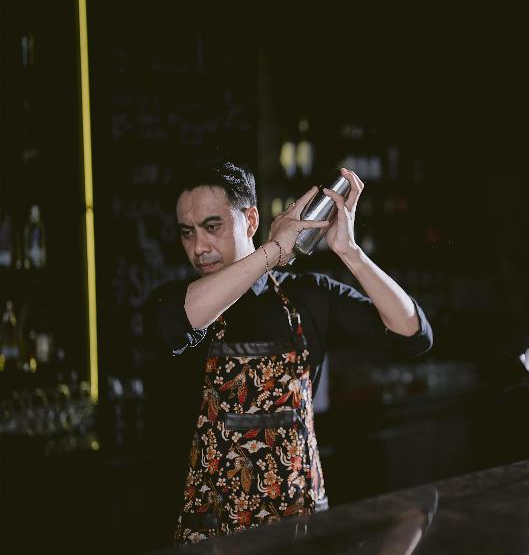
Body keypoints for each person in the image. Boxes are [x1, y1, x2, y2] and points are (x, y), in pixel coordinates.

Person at [143, 159, 433, 545]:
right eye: (187, 232)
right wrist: (274, 250)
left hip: (301, 533)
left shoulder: (308, 296)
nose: (199, 247)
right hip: (212, 538)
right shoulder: (178, 301)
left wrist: (350, 252)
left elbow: (413, 334)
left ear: (250, 220)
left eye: (212, 227)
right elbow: (177, 322)